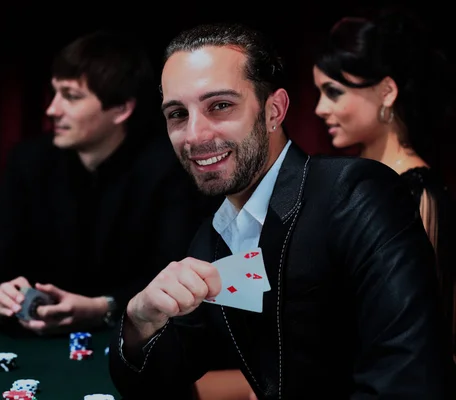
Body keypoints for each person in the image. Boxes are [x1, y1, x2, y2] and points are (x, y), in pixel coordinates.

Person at [109, 22, 454, 399]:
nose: (194, 135)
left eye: (220, 106)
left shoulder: (356, 192)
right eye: (177, 114)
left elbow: (408, 381)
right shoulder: (211, 239)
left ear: (274, 111)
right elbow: (157, 383)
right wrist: (137, 321)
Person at [0, 31, 218, 336]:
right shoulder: (28, 163)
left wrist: (103, 307)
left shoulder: (170, 169)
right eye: (55, 93)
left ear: (121, 109)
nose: (52, 109)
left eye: (71, 96)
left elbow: (178, 279)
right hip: (32, 341)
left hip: (130, 342)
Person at [312, 7, 456, 353]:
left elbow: (429, 335)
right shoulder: (348, 180)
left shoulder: (419, 194)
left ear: (386, 91)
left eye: (333, 92)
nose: (319, 108)